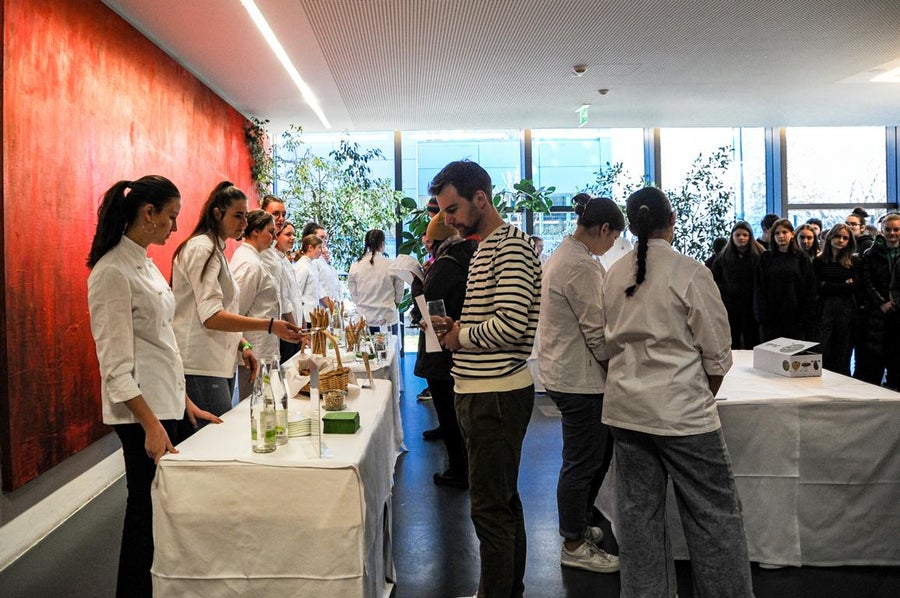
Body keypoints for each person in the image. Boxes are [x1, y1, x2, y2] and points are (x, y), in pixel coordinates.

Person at [602, 186, 753, 598]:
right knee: (713, 515)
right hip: (683, 414)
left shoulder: (614, 273)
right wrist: (700, 395)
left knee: (638, 518)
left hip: (626, 411)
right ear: (672, 221)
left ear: (630, 225)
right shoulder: (689, 271)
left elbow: (606, 345)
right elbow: (717, 352)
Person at [87, 176, 222, 598]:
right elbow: (115, 368)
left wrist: (184, 401)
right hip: (141, 414)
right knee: (144, 512)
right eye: (171, 217)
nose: (175, 227)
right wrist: (150, 424)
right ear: (149, 214)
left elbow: (161, 344)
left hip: (164, 404)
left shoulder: (144, 263)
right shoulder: (111, 272)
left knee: (163, 510)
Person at [430, 160, 542, 598]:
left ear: (480, 198)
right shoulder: (488, 246)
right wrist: (460, 327)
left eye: (452, 209)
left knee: (491, 511)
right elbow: (497, 318)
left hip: (494, 394)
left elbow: (511, 326)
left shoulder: (509, 247)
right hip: (485, 390)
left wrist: (460, 336)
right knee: (502, 503)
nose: (448, 220)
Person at [537, 193, 623, 574]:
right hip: (580, 380)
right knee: (582, 462)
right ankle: (573, 543)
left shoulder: (566, 255)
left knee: (591, 457)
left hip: (568, 373)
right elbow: (597, 333)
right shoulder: (580, 265)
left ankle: (579, 526)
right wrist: (618, 373)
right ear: (603, 229)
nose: (612, 245)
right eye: (613, 238)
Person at [172, 181, 302, 429]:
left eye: (245, 215)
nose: (244, 222)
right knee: (216, 436)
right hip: (200, 362)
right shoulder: (202, 249)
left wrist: (243, 344)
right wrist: (270, 325)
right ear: (217, 213)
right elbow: (211, 316)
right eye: (238, 215)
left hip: (218, 360)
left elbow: (227, 309)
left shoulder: (216, 249)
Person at [413, 212, 477, 488]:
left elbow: (428, 308)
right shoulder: (469, 257)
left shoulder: (445, 265)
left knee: (448, 410)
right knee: (454, 410)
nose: (427, 245)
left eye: (429, 241)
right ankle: (462, 465)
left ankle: (458, 470)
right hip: (459, 345)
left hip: (440, 347)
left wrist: (417, 283)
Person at [230, 210, 281, 397]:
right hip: (256, 348)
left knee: (267, 399)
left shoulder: (254, 259)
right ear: (256, 231)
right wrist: (245, 346)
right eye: (270, 232)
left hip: (264, 345)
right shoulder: (250, 264)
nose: (274, 238)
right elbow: (237, 310)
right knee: (257, 402)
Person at [754, 218, 817, 342]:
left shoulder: (801, 258)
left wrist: (806, 316)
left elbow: (809, 288)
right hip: (771, 319)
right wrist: (762, 315)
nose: (781, 236)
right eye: (777, 233)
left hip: (796, 318)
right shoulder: (765, 258)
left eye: (784, 232)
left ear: (792, 234)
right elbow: (759, 288)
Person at [855, 213, 900, 387]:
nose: (892, 233)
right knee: (873, 366)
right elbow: (867, 282)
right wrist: (882, 303)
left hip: (898, 312)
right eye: (888, 229)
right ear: (882, 230)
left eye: (896, 229)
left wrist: (896, 302)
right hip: (876, 315)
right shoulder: (870, 254)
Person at [813, 223, 858, 375]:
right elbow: (817, 287)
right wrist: (843, 284)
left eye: (845, 238)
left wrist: (828, 284)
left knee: (843, 353)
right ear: (830, 237)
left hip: (846, 310)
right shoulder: (819, 261)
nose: (841, 240)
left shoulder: (853, 262)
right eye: (838, 236)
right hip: (825, 309)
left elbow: (855, 286)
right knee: (823, 350)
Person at [711, 221, 761, 349]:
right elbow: (714, 280)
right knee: (732, 339)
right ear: (732, 237)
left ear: (750, 237)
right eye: (737, 235)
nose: (741, 238)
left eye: (745, 235)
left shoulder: (759, 256)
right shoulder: (723, 257)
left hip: (752, 305)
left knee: (752, 339)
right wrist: (726, 290)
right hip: (730, 305)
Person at [347, 229, 404, 334]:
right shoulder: (392, 265)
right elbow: (399, 292)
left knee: (364, 345)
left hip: (364, 320)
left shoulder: (355, 266)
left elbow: (354, 294)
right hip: (388, 319)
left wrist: (363, 304)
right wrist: (394, 304)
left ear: (366, 245)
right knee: (390, 345)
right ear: (382, 244)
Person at [274, 221, 303, 359]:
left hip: (295, 324)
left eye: (293, 234)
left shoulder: (285, 259)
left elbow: (295, 295)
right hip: (287, 328)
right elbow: (283, 300)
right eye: (288, 234)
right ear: (276, 237)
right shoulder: (276, 261)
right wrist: (294, 327)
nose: (292, 238)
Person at [293, 233, 324, 325]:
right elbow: (297, 293)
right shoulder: (302, 266)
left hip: (313, 315)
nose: (321, 251)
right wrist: (301, 318)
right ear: (310, 247)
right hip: (306, 317)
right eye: (319, 247)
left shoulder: (310, 265)